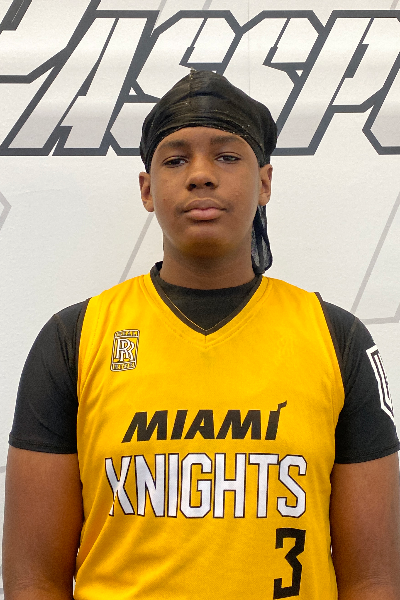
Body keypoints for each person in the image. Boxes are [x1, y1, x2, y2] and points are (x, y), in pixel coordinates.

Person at [3, 70, 400, 600]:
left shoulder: (337, 339)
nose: (201, 175)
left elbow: (374, 579)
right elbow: (34, 579)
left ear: (264, 182)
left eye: (227, 156)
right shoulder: (73, 339)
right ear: (147, 189)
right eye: (175, 159)